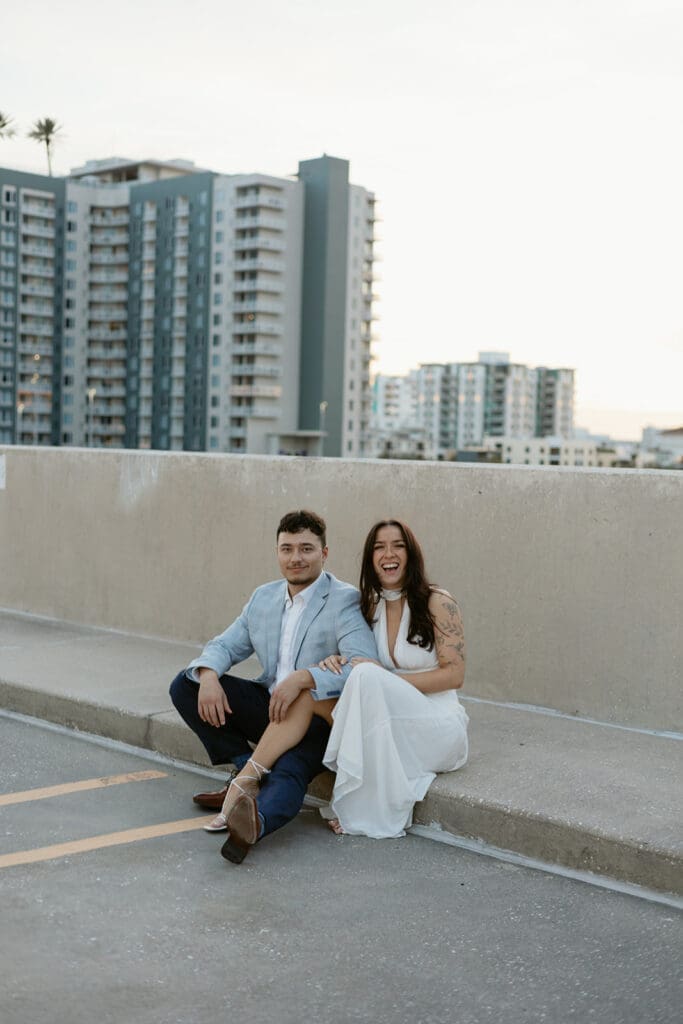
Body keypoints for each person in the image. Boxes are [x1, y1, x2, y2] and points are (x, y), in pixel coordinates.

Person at [169, 509, 378, 864]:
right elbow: (224, 645)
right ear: (277, 553)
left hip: (316, 719)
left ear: (324, 554)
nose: (296, 558)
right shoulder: (263, 597)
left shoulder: (343, 600)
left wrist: (305, 677)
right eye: (287, 549)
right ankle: (245, 766)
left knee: (290, 770)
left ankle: (254, 822)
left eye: (307, 549)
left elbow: (365, 666)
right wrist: (208, 676)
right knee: (185, 685)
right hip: (269, 706)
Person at [318, 518, 468, 839]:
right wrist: (336, 659)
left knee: (368, 678)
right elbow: (359, 664)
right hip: (396, 721)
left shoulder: (437, 602)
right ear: (371, 560)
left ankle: (359, 811)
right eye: (379, 547)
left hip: (440, 726)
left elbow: (455, 675)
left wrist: (386, 681)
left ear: (411, 554)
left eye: (398, 545)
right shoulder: (367, 608)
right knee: (360, 677)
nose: (389, 553)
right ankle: (356, 806)